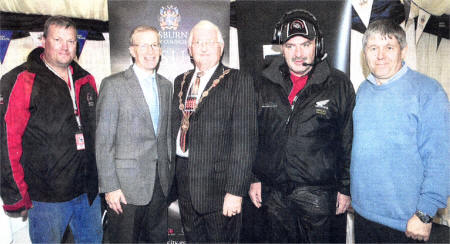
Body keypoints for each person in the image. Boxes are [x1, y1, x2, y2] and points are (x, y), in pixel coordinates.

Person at [249, 9, 355, 243]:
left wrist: (346, 188)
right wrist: (254, 177)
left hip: (318, 196)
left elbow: (348, 141)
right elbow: (254, 135)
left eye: (305, 44)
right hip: (274, 194)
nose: (298, 53)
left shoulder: (338, 85)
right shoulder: (263, 83)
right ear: (282, 49)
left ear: (317, 45)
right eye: (290, 46)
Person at [0, 15, 102, 243]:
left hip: (88, 194)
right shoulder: (22, 80)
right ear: (43, 40)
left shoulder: (87, 80)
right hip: (47, 199)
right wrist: (16, 195)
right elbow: (7, 141)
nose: (65, 47)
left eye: (71, 41)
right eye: (58, 40)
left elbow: (97, 137)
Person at [351, 18, 449, 243]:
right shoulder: (363, 91)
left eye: (389, 47)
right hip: (364, 217)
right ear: (365, 53)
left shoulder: (428, 92)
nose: (380, 55)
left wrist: (424, 214)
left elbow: (441, 159)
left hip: (407, 223)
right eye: (373, 48)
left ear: (403, 51)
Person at [171, 20, 257, 242]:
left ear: (221, 47)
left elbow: (245, 141)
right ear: (190, 49)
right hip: (185, 183)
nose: (204, 47)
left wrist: (236, 191)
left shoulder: (239, 80)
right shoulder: (180, 81)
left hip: (220, 191)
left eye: (210, 42)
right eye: (198, 42)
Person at [95, 25, 173, 243]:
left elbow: (164, 137)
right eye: (143, 45)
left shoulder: (166, 86)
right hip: (125, 189)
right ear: (132, 51)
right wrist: (110, 187)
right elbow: (103, 143)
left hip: (160, 185)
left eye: (155, 44)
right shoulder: (113, 85)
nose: (150, 51)